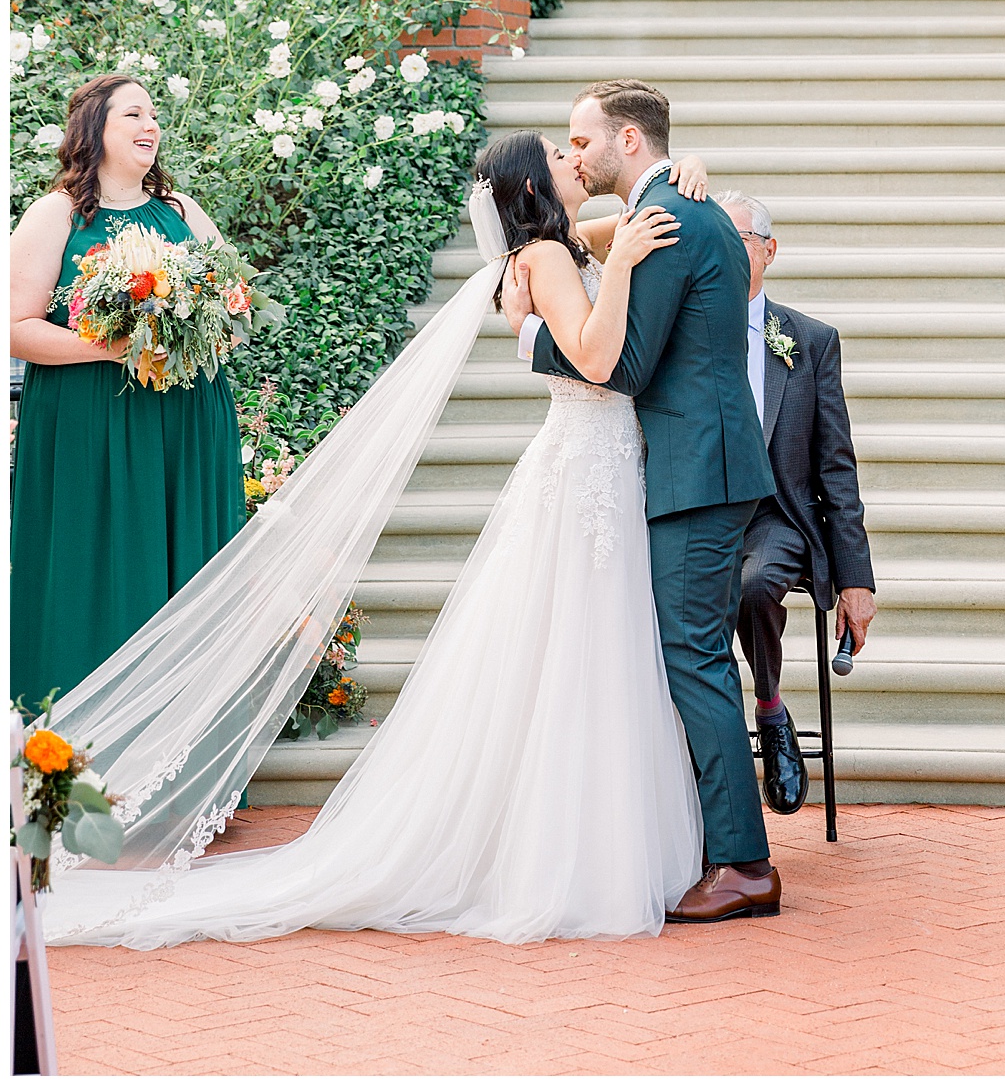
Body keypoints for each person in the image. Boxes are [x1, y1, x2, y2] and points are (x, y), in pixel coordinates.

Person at [41, 130, 710, 948]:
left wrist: (667, 182)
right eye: (563, 158)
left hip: (589, 468)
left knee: (576, 650)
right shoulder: (553, 261)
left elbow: (604, 226)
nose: (579, 161)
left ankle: (579, 833)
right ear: (537, 187)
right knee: (581, 647)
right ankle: (574, 854)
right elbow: (602, 356)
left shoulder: (551, 249)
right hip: (587, 471)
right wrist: (633, 262)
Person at [506, 81, 781, 924]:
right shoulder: (670, 208)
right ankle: (712, 840)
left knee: (692, 655)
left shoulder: (663, 223)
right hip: (701, 463)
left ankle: (743, 862)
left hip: (699, 470)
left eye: (584, 139)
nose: (575, 152)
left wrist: (527, 335)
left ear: (628, 139)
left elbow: (619, 367)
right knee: (688, 653)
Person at [9, 73, 244, 709]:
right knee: (96, 570)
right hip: (92, 423)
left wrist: (208, 318)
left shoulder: (181, 211)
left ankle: (182, 761)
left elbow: (232, 304)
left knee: (188, 568)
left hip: (186, 418)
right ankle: (77, 751)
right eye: (132, 115)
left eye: (153, 115)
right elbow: (15, 330)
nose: (149, 126)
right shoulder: (57, 215)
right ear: (95, 130)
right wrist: (114, 347)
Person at [715, 191, 876, 816]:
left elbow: (837, 465)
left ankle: (769, 707)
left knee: (754, 587)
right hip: (701, 509)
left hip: (776, 516)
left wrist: (856, 580)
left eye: (741, 242)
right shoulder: (685, 330)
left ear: (769, 251)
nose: (727, 256)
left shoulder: (808, 341)